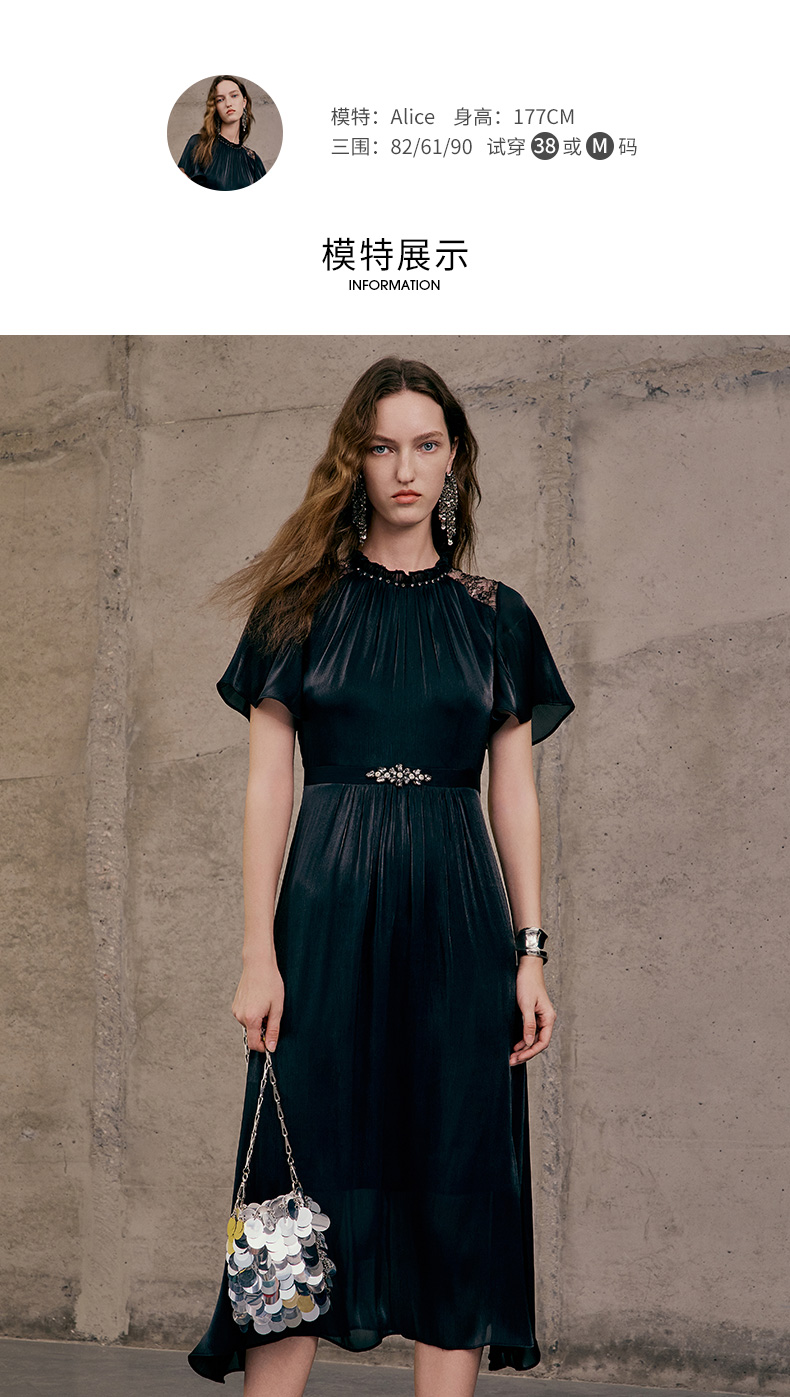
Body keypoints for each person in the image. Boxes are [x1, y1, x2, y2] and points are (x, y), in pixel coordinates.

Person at [188, 358, 575, 1396]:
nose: (405, 467)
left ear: (453, 459)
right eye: (381, 445)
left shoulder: (495, 615)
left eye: (426, 444)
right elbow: (267, 790)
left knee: (454, 1170)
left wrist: (530, 953)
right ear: (352, 461)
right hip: (322, 919)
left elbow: (514, 796)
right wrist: (257, 952)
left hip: (458, 923)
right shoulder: (297, 607)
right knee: (291, 1180)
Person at [178, 75, 266, 190]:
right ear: (215, 107)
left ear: (244, 102)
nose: (228, 103)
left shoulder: (253, 161)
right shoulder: (198, 145)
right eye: (220, 99)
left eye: (234, 96)